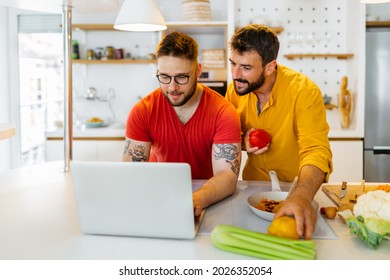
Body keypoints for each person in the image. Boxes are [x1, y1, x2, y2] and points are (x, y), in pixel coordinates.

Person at [225, 24, 333, 240]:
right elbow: (227, 138)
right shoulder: (236, 89)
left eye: (246, 67)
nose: (236, 74)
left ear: (270, 66)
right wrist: (241, 140)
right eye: (233, 64)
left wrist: (301, 196)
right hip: (252, 191)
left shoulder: (304, 91)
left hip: (295, 191)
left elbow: (316, 151)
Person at [123, 31, 242, 217]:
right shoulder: (142, 111)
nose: (172, 87)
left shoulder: (223, 112)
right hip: (157, 197)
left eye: (181, 77)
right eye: (164, 77)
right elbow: (131, 173)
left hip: (209, 199)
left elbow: (227, 176)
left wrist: (196, 200)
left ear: (198, 71)